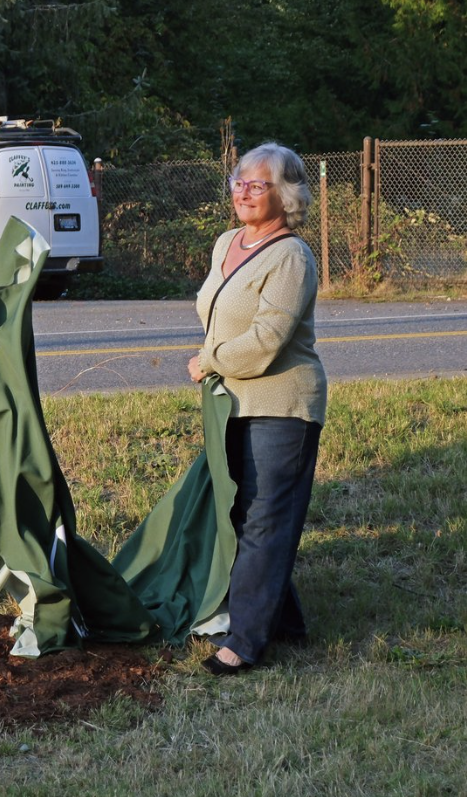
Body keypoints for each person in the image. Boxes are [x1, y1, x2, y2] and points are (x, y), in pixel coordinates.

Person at [186, 142, 327, 676]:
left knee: (265, 517)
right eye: (238, 181)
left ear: (286, 195)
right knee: (250, 513)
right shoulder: (227, 241)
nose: (243, 191)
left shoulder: (293, 256)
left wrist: (210, 358)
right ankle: (285, 622)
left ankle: (244, 641)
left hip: (281, 400)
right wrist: (216, 363)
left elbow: (268, 339)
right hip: (232, 399)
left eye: (258, 184)